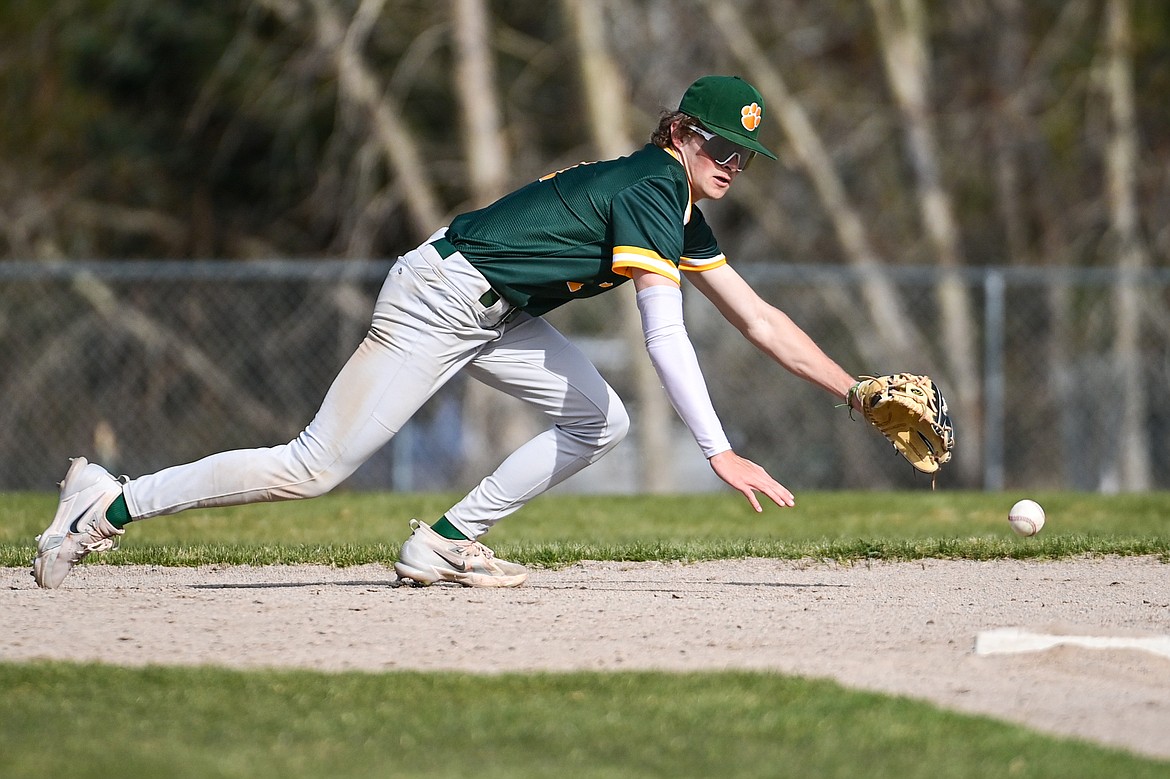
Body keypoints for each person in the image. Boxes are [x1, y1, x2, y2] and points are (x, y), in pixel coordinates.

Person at [33, 75, 862, 590]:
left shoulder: (675, 205)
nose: (731, 164)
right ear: (681, 132)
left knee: (600, 421)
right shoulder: (653, 182)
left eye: (745, 156)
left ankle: (445, 542)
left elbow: (757, 318)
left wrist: (854, 392)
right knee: (312, 468)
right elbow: (664, 333)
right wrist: (716, 446)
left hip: (496, 309)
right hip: (442, 295)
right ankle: (106, 506)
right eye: (721, 144)